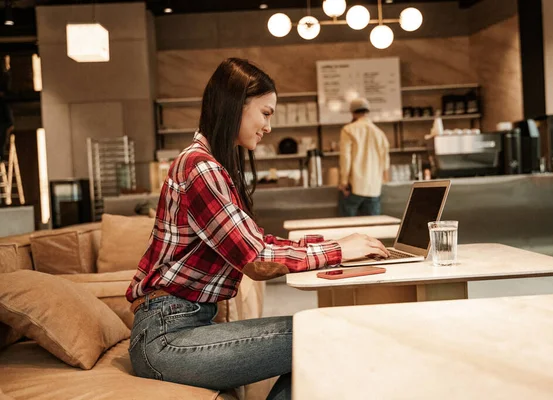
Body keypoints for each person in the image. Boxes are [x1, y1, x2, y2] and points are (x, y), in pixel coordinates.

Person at [125, 58, 390, 400]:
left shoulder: (211, 164)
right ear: (236, 104)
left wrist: (335, 243)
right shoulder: (199, 167)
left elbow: (256, 240)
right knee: (325, 334)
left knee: (322, 336)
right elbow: (257, 258)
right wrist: (340, 250)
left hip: (178, 327)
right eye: (265, 113)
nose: (268, 126)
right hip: (165, 337)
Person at [338, 97, 390, 216]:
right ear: (367, 111)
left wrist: (344, 182)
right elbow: (385, 162)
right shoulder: (379, 133)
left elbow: (345, 158)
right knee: (373, 228)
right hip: (374, 188)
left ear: (352, 112)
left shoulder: (348, 130)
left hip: (354, 186)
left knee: (348, 227)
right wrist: (384, 179)